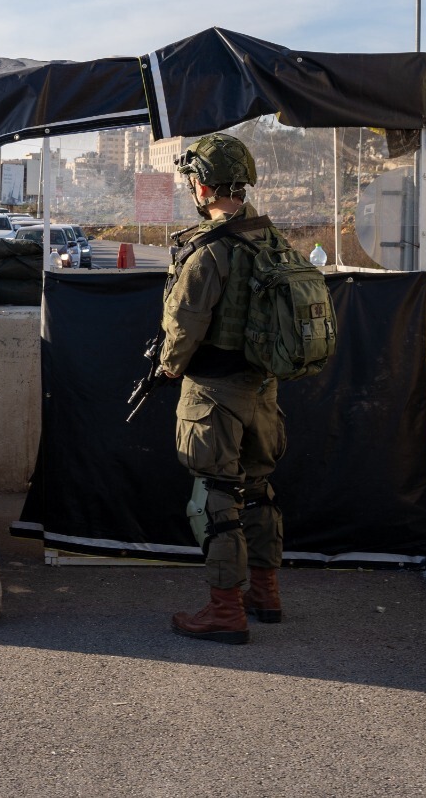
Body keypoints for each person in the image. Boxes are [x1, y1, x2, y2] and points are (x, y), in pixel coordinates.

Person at [158, 132, 286, 645]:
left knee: (217, 496)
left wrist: (169, 367)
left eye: (192, 179)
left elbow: (184, 325)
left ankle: (225, 610)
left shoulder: (208, 251)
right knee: (258, 489)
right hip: (262, 389)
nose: (191, 186)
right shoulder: (270, 239)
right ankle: (266, 592)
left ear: (204, 187)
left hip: (213, 389)